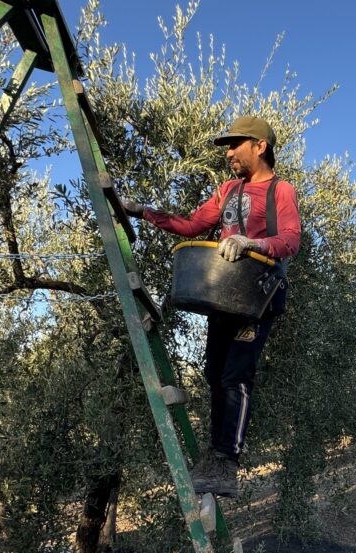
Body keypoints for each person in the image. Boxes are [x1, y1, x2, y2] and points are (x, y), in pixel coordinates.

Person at [124, 116, 301, 496]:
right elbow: (191, 225)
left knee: (236, 375)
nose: (229, 151)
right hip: (224, 295)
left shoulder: (280, 191)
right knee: (213, 373)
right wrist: (143, 211)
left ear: (260, 146)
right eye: (227, 145)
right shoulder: (228, 191)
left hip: (255, 297)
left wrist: (252, 244)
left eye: (236, 143)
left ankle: (226, 463)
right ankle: (215, 454)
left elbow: (290, 239)